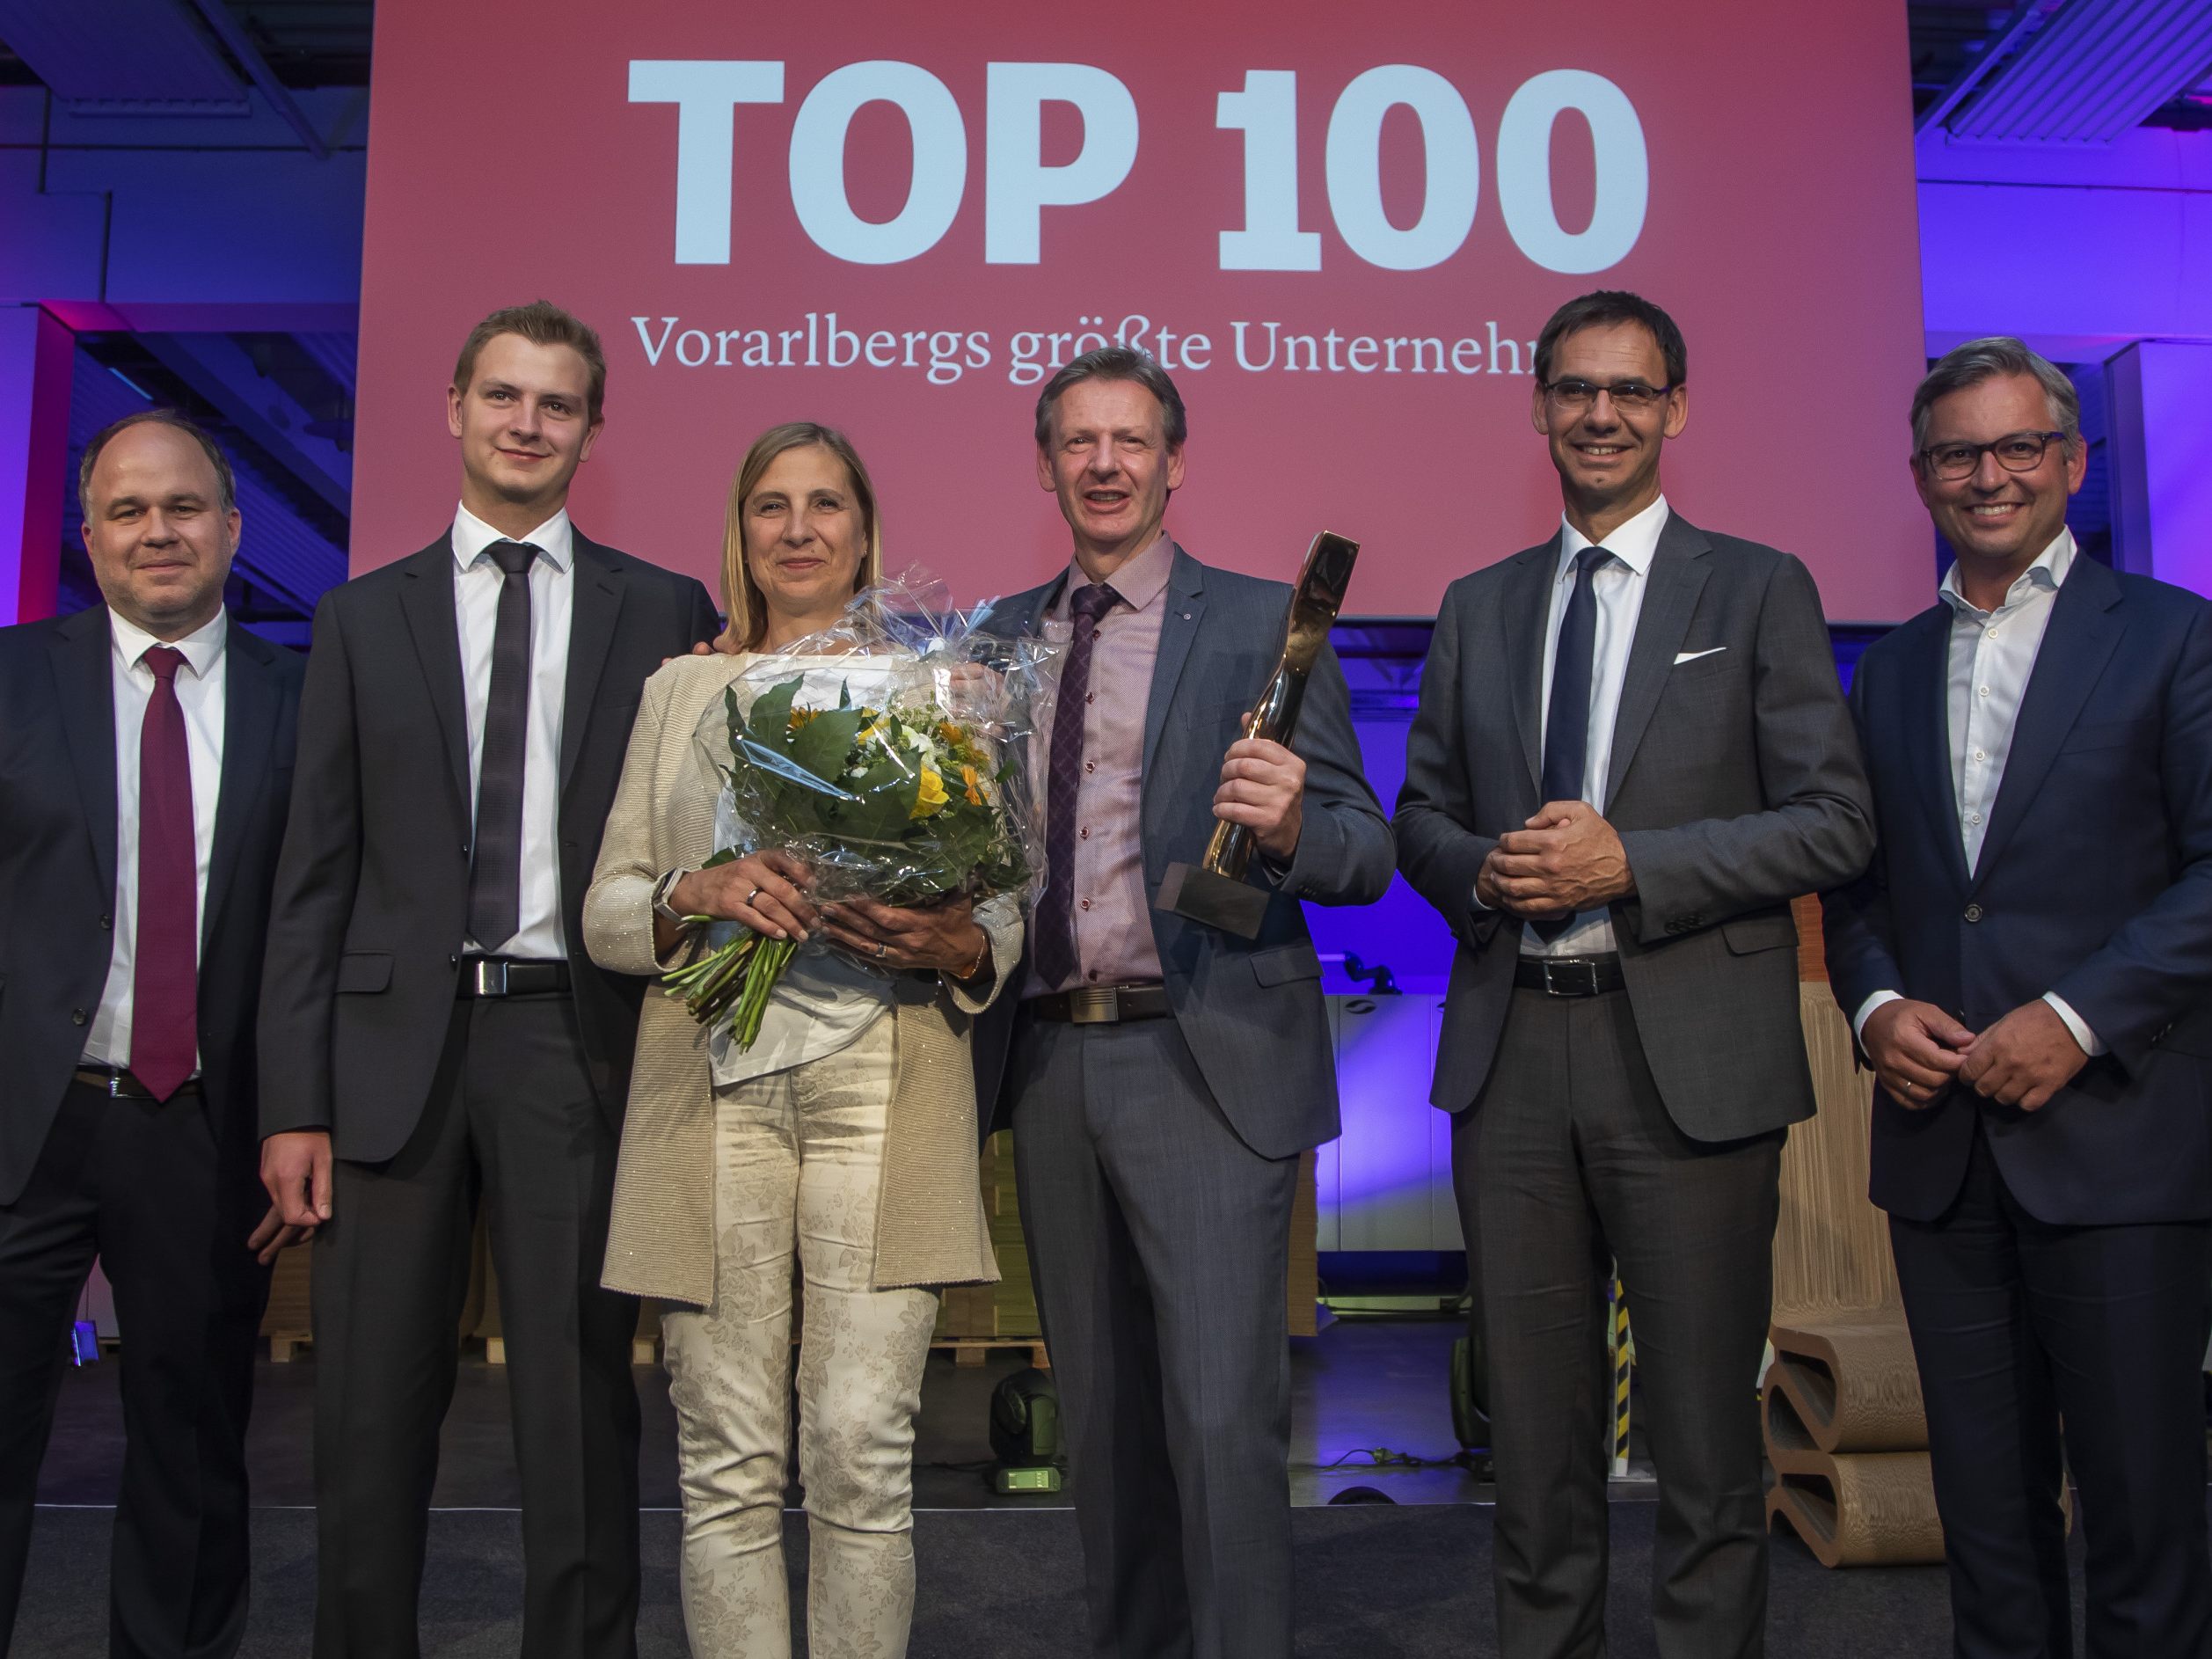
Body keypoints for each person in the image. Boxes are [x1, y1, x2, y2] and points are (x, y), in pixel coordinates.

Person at [1395, 289, 1874, 1658]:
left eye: (1630, 390)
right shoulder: (1479, 605)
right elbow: (1421, 810)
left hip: (1692, 1064)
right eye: (1575, 389)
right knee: (1534, 1449)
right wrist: (1485, 867)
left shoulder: (1760, 585)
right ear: (1539, 404)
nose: (1600, 414)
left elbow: (1835, 820)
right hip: (1516, 1063)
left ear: (1676, 408)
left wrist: (1632, 865)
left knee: (1709, 1449)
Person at [256, 301, 720, 1657]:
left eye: (557, 404)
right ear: (454, 406)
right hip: (385, 1057)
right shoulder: (355, 618)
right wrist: (294, 1101)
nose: (527, 423)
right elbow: (312, 880)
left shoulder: (664, 611)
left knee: (580, 1411)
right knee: (366, 1412)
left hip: (571, 1047)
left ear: (591, 430)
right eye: (504, 396)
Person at [971, 346, 1394, 1659]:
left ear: (1175, 461)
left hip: (1201, 1057)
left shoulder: (1271, 623)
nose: (1105, 462)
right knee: (1099, 1427)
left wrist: (1285, 832)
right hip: (1044, 1066)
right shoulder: (990, 641)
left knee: (1218, 1419)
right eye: (1079, 442)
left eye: (1131, 439)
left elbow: (1364, 851)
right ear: (1046, 465)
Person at [585, 420, 1018, 1657]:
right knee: (724, 1457)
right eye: (771, 506)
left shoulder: (941, 692)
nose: (798, 528)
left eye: (826, 504)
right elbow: (607, 907)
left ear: (864, 531)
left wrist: (953, 943)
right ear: (742, 533)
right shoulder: (681, 692)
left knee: (860, 1451)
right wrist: (695, 891)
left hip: (882, 1090)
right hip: (710, 1103)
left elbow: (997, 915)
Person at [1825, 337, 2212, 1657]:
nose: (1988, 476)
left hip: (2118, 1141)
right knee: (1985, 1532)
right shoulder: (1882, 670)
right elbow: (1862, 892)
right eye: (1956, 454)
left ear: (2072, 462)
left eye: (2017, 448)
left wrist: (2079, 1014)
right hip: (1942, 1155)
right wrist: (1876, 1014)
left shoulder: (2173, 639)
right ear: (1921, 474)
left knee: (2145, 1521)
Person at [0, 412, 304, 1657]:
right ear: (89, 538)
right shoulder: (14, 676)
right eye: (127, 511)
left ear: (231, 529)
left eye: (183, 506)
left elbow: (323, 926)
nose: (157, 531)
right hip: (26, 1115)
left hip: (204, 1121)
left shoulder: (305, 696)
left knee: (187, 1443)